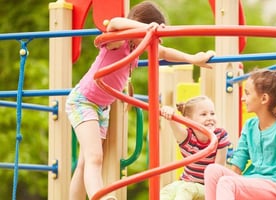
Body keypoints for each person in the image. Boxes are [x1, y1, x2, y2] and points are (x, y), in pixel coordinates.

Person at [65, 1, 215, 200]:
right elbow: (115, 23)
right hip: (83, 101)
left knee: (86, 161)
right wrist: (147, 29)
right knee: (94, 157)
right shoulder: (118, 41)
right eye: (148, 36)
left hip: (101, 107)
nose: (150, 42)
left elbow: (163, 52)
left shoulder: (135, 49)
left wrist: (193, 59)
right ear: (137, 24)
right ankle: (100, 197)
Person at [204, 67, 276, 200]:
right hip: (255, 183)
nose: (242, 98)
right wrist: (235, 188)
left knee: (226, 182)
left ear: (264, 98)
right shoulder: (250, 126)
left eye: (247, 93)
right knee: (212, 170)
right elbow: (237, 166)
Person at [160, 95, 231, 200]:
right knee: (166, 191)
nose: (210, 118)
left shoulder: (220, 136)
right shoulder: (187, 137)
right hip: (185, 182)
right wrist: (168, 111)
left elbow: (217, 170)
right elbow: (173, 123)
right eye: (203, 114)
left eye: (212, 113)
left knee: (187, 189)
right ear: (189, 120)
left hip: (207, 187)